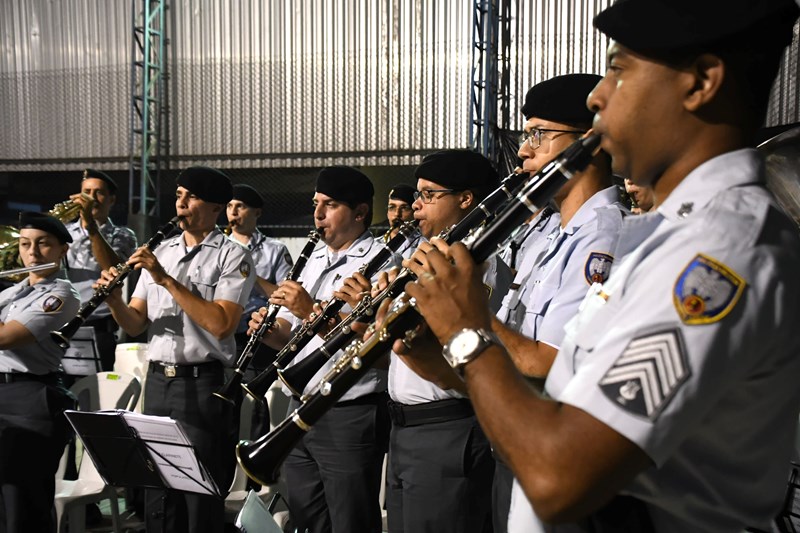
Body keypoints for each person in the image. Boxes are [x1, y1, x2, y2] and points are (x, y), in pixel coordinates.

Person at [394, 0, 800, 531]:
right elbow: (557, 398)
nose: (596, 96)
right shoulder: (673, 238)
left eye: (620, 69)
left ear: (701, 82)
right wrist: (441, 350)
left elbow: (559, 474)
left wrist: (468, 331)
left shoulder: (717, 256)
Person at [490, 73, 627, 533]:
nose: (525, 151)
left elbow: (544, 360)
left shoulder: (602, 237)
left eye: (539, 135)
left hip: (556, 449)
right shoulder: (554, 233)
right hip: (517, 439)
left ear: (586, 143)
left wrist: (466, 313)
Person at [99, 166, 255, 533]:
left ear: (216, 207)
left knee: (198, 491)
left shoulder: (232, 256)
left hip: (202, 385)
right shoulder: (159, 250)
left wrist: (165, 279)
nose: (180, 204)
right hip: (158, 381)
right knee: (158, 489)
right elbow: (136, 323)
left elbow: (221, 324)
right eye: (178, 195)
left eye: (191, 197)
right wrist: (113, 300)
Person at [251, 166, 401, 533]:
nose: (317, 214)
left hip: (348, 410)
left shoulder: (384, 263)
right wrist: (268, 332)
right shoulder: (313, 256)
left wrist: (307, 310)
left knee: (350, 518)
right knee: (307, 518)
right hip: (300, 405)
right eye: (316, 203)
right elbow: (290, 333)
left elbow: (374, 345)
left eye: (330, 205)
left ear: (360, 212)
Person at [376, 150, 512, 533]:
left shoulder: (480, 267)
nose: (415, 206)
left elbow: (466, 346)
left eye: (429, 195)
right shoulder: (422, 258)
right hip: (403, 429)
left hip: (448, 430)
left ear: (465, 199)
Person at [0, 212, 80, 532]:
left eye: (43, 244)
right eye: (24, 244)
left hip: (30, 400)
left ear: (62, 250)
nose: (32, 253)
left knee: (22, 505)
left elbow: (6, 338)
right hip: (5, 395)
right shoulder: (11, 292)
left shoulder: (61, 294)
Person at [65, 169, 137, 371]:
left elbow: (114, 270)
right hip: (63, 322)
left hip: (99, 327)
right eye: (86, 191)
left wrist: (90, 226)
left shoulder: (122, 235)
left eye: (99, 192)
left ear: (111, 200)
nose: (91, 198)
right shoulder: (63, 232)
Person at [376, 183, 423, 259]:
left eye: (404, 208)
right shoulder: (375, 244)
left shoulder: (422, 245)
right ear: (387, 213)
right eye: (392, 207)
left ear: (414, 212)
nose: (397, 214)